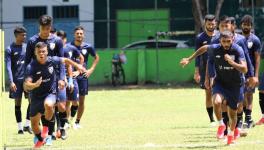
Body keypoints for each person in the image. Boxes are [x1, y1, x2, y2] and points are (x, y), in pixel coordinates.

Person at [23, 42, 85, 148]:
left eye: (43, 51)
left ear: (47, 52)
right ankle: (40, 139)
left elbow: (65, 60)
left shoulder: (52, 60)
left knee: (48, 105)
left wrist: (78, 65)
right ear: (35, 53)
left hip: (50, 93)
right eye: (39, 52)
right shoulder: (31, 66)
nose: (42, 54)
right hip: (36, 96)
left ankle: (46, 131)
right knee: (34, 125)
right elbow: (26, 85)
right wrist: (34, 85)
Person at [25, 15, 66, 145]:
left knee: (53, 105)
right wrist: (27, 81)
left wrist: (62, 78)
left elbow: (62, 62)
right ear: (39, 27)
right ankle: (43, 134)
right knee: (38, 107)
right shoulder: (32, 41)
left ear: (50, 27)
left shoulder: (57, 41)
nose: (45, 31)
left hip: (54, 79)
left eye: (48, 28)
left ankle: (50, 133)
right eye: (43, 28)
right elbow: (27, 61)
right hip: (37, 79)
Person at [207, 30, 247, 145]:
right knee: (216, 101)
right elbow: (203, 48)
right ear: (220, 40)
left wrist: (231, 62)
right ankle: (221, 124)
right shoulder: (215, 48)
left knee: (233, 114)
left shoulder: (237, 50)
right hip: (220, 82)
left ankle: (230, 134)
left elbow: (244, 69)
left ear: (232, 40)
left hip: (235, 85)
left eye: (228, 41)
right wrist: (190, 59)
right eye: (223, 41)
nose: (226, 44)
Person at [68, 26, 99, 129]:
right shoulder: (69, 46)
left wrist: (90, 70)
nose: (79, 35)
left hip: (83, 77)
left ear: (83, 35)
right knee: (70, 100)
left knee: (81, 101)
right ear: (74, 35)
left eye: (81, 33)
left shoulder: (88, 47)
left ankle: (77, 122)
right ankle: (67, 121)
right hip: (72, 76)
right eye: (77, 33)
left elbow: (96, 57)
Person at [5, 26, 32, 134]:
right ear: (17, 36)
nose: (25, 36)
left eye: (25, 34)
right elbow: (8, 67)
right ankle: (20, 128)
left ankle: (27, 124)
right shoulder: (9, 49)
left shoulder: (27, 47)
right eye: (22, 35)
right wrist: (11, 81)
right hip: (16, 81)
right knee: (18, 104)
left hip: (27, 81)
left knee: (32, 101)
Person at [56, 30, 84, 131]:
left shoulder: (70, 48)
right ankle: (66, 122)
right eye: (58, 38)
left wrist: (77, 71)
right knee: (65, 102)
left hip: (71, 77)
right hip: (60, 79)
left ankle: (72, 121)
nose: (60, 41)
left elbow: (81, 58)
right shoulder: (54, 50)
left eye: (62, 39)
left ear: (65, 39)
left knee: (75, 101)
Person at [194, 14, 217, 125]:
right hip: (205, 69)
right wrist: (197, 71)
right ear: (205, 24)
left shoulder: (220, 36)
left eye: (213, 24)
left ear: (215, 23)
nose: (211, 26)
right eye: (209, 24)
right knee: (208, 93)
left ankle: (223, 118)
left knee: (221, 92)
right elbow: (197, 56)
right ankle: (212, 119)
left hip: (219, 68)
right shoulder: (200, 38)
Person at [239, 15, 261, 128]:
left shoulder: (255, 40)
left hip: (250, 73)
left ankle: (248, 119)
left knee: (249, 95)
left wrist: (256, 75)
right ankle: (245, 118)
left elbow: (257, 59)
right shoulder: (237, 38)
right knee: (240, 96)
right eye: (244, 24)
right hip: (239, 71)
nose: (246, 26)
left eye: (248, 25)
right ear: (241, 25)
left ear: (251, 26)